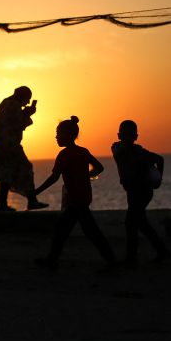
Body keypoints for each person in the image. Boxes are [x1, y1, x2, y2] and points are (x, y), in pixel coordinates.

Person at [33, 116, 117, 271]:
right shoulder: (83, 152)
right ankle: (52, 260)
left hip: (76, 200)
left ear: (68, 135)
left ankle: (111, 262)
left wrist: (36, 191)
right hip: (83, 198)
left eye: (59, 133)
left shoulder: (64, 155)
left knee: (80, 231)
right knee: (69, 230)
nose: (56, 136)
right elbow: (99, 168)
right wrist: (87, 176)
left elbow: (54, 178)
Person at [0, 86, 48, 211]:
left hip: (5, 145)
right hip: (9, 146)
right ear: (23, 96)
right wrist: (28, 113)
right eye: (27, 99)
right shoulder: (13, 106)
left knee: (7, 175)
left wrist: (25, 113)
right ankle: (29, 201)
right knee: (23, 170)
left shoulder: (7, 103)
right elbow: (17, 124)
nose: (27, 102)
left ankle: (4, 204)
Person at [111, 120, 170, 266]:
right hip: (133, 191)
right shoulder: (119, 149)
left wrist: (158, 180)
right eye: (125, 135)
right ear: (119, 135)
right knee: (141, 223)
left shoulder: (139, 152)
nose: (128, 138)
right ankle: (162, 251)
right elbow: (120, 152)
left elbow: (160, 160)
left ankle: (132, 258)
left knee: (131, 222)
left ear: (135, 136)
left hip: (142, 192)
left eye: (130, 135)